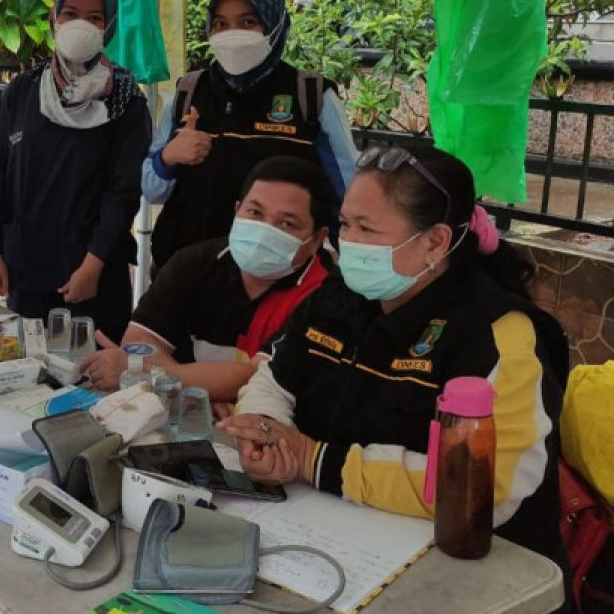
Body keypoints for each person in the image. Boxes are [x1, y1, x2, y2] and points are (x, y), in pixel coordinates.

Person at [219, 145, 569, 567]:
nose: (349, 242)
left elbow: (493, 486)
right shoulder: (338, 297)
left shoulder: (497, 334)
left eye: (367, 229)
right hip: (326, 541)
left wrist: (316, 461)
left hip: (466, 569)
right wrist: (267, 433)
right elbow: (274, 376)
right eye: (345, 225)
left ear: (435, 242)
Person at [0, 0, 152, 342]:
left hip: (93, 278)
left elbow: (123, 193)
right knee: (26, 383)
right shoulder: (24, 90)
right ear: (54, 19)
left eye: (94, 17)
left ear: (109, 26)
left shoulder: (125, 100)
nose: (80, 25)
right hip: (27, 272)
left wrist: (94, 263)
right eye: (70, 13)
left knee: (92, 388)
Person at [144, 0, 359, 273]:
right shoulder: (190, 91)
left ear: (273, 27)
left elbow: (347, 194)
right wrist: (169, 157)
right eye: (220, 24)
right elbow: (151, 189)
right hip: (182, 272)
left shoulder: (309, 95)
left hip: (274, 278)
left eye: (247, 23)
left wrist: (346, 273)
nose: (232, 34)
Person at [79, 157, 335, 403]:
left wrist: (179, 386)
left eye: (287, 224)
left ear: (316, 239)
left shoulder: (327, 294)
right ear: (237, 211)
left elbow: (259, 376)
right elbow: (141, 339)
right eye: (255, 212)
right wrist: (197, 390)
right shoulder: (196, 263)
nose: (266, 229)